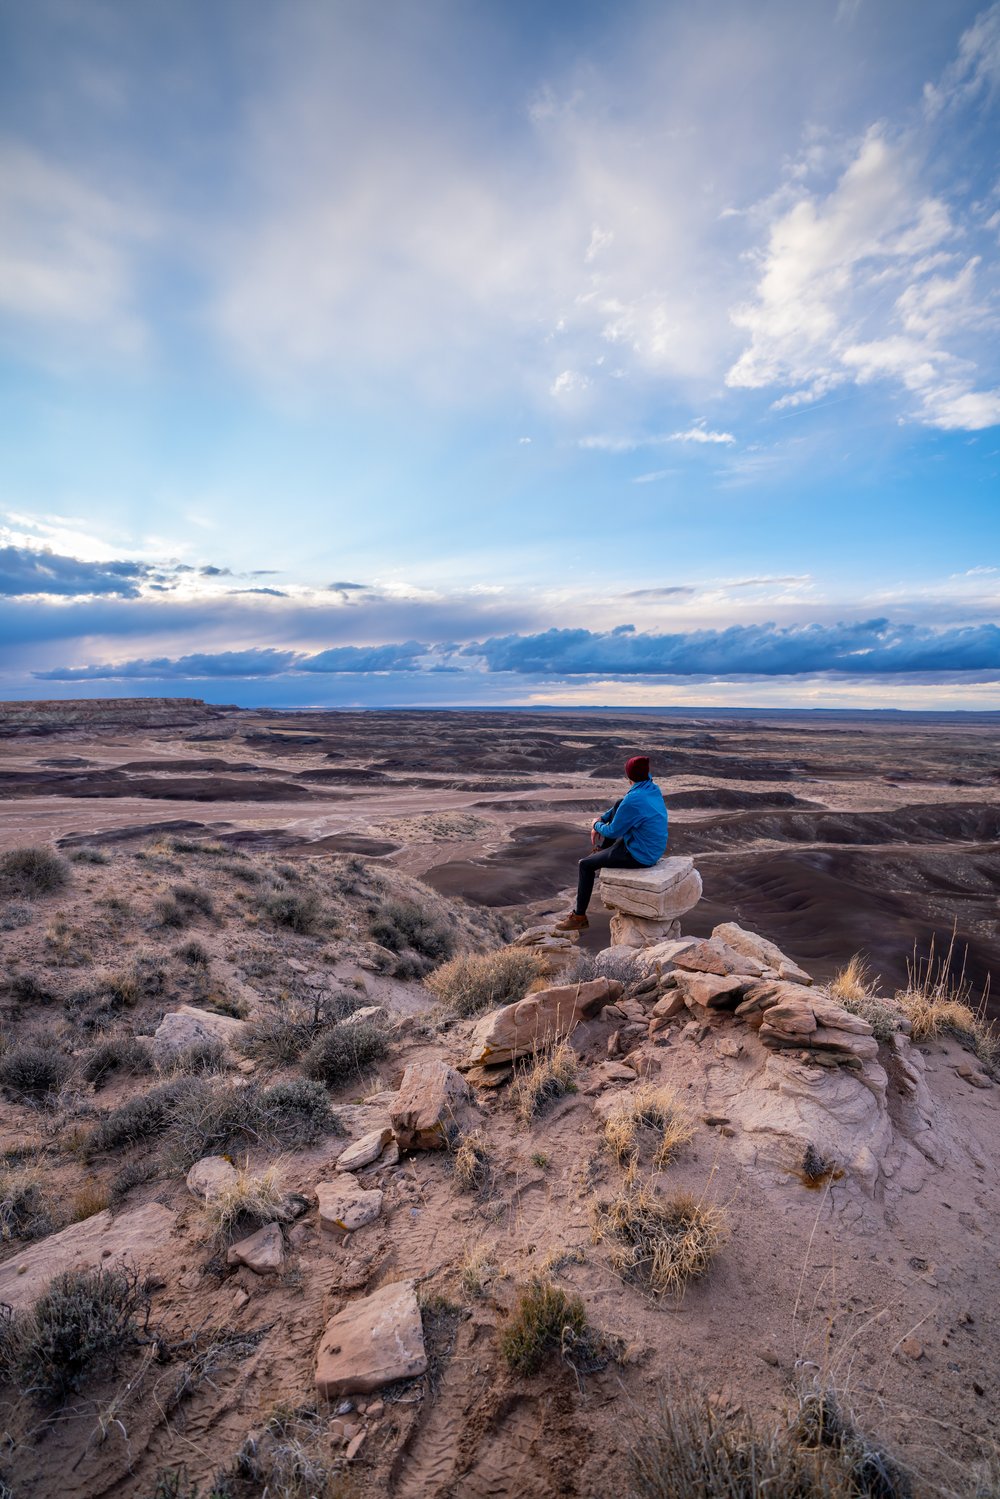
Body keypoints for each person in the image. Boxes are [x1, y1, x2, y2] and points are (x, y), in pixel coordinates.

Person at [554, 755, 668, 931]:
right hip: (648, 845)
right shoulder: (651, 788)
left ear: (628, 775)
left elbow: (613, 831)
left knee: (585, 865)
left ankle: (579, 917)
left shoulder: (634, 799)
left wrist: (595, 824)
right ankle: (602, 850)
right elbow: (621, 806)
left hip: (640, 855)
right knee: (619, 802)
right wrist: (603, 817)